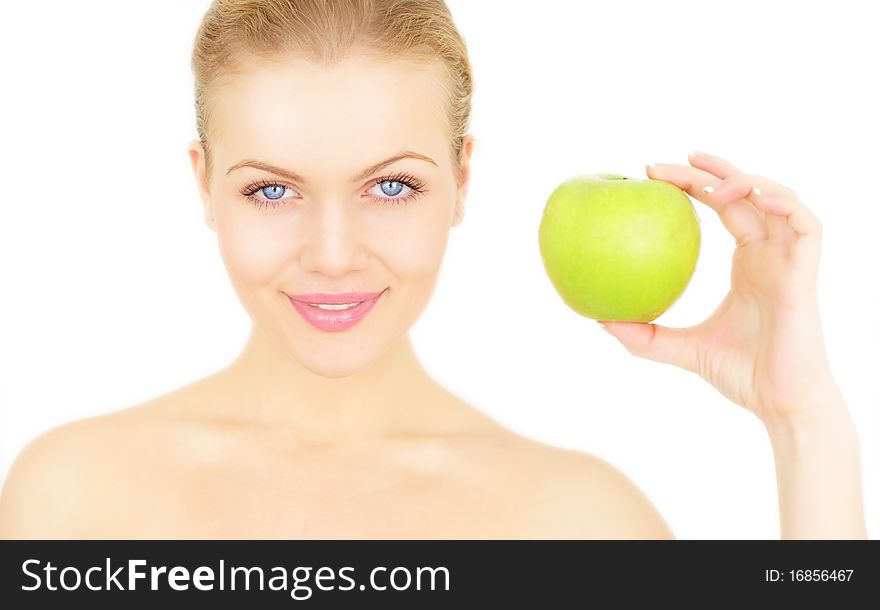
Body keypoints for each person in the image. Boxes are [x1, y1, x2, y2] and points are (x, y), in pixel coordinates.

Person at [0, 0, 866, 539]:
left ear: (460, 181)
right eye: (271, 191)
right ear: (204, 184)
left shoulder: (579, 524)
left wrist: (803, 420)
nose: (334, 254)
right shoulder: (69, 494)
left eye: (390, 185)